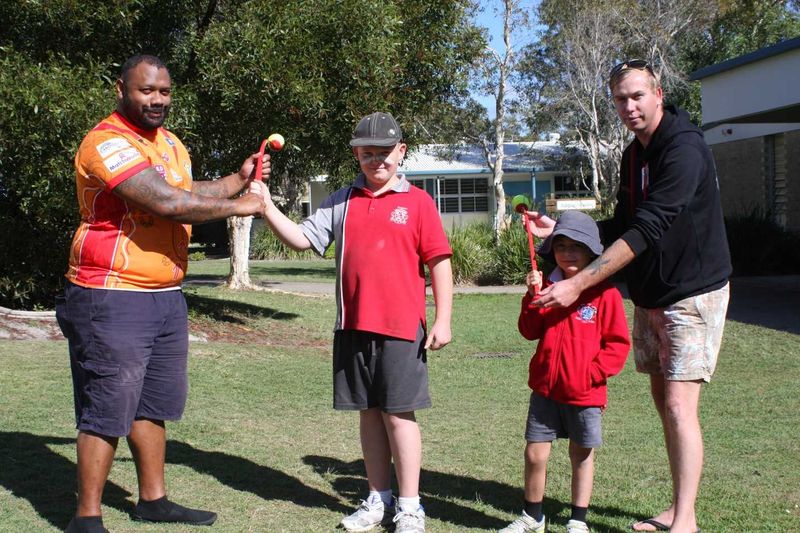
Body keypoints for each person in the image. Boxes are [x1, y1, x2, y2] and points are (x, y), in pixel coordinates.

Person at [56, 54, 268, 533]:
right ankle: (86, 518)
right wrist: (242, 205)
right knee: (107, 407)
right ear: (121, 90)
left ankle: (153, 500)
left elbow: (187, 189)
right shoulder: (106, 141)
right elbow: (167, 202)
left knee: (152, 404)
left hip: (165, 294)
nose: (156, 100)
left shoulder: (169, 143)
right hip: (111, 294)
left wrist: (237, 180)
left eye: (164, 92)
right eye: (146, 90)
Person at [526, 60, 731, 533]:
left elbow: (648, 228)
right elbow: (623, 224)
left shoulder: (684, 149)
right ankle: (679, 508)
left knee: (679, 405)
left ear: (658, 94)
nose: (629, 106)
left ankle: (685, 521)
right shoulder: (633, 154)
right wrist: (561, 232)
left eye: (637, 95)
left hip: (692, 292)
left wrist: (578, 282)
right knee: (664, 402)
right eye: (620, 99)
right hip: (652, 293)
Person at [249, 111, 453, 533]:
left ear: (401, 152)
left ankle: (410, 506)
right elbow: (303, 238)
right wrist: (266, 205)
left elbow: (439, 262)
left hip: (402, 329)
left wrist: (443, 318)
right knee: (369, 414)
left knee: (399, 416)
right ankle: (378, 498)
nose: (377, 160)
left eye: (384, 152)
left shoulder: (418, 202)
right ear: (357, 155)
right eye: (367, 153)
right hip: (353, 326)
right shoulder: (341, 200)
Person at [499, 211, 630, 533]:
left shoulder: (605, 295)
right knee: (535, 454)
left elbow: (617, 344)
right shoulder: (547, 287)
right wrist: (532, 297)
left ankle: (578, 520)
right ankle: (532, 516)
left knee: (581, 456)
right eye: (561, 246)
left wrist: (591, 374)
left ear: (591, 251)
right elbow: (529, 331)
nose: (568, 253)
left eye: (576, 247)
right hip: (545, 390)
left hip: (585, 394)